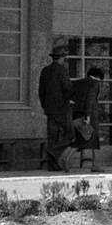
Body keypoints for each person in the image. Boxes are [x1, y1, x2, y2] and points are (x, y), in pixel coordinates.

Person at [37, 38, 77, 172]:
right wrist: (73, 99)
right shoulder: (62, 71)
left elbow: (41, 91)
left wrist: (45, 105)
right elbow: (68, 88)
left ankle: (53, 166)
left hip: (49, 109)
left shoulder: (45, 71)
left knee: (52, 137)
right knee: (70, 135)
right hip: (62, 108)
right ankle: (53, 151)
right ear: (62, 58)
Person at [69, 66, 104, 172]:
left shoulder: (78, 82)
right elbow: (90, 100)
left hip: (76, 114)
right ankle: (94, 164)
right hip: (89, 116)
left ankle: (66, 158)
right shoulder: (94, 84)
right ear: (98, 77)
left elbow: (71, 97)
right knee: (91, 139)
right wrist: (88, 116)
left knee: (79, 138)